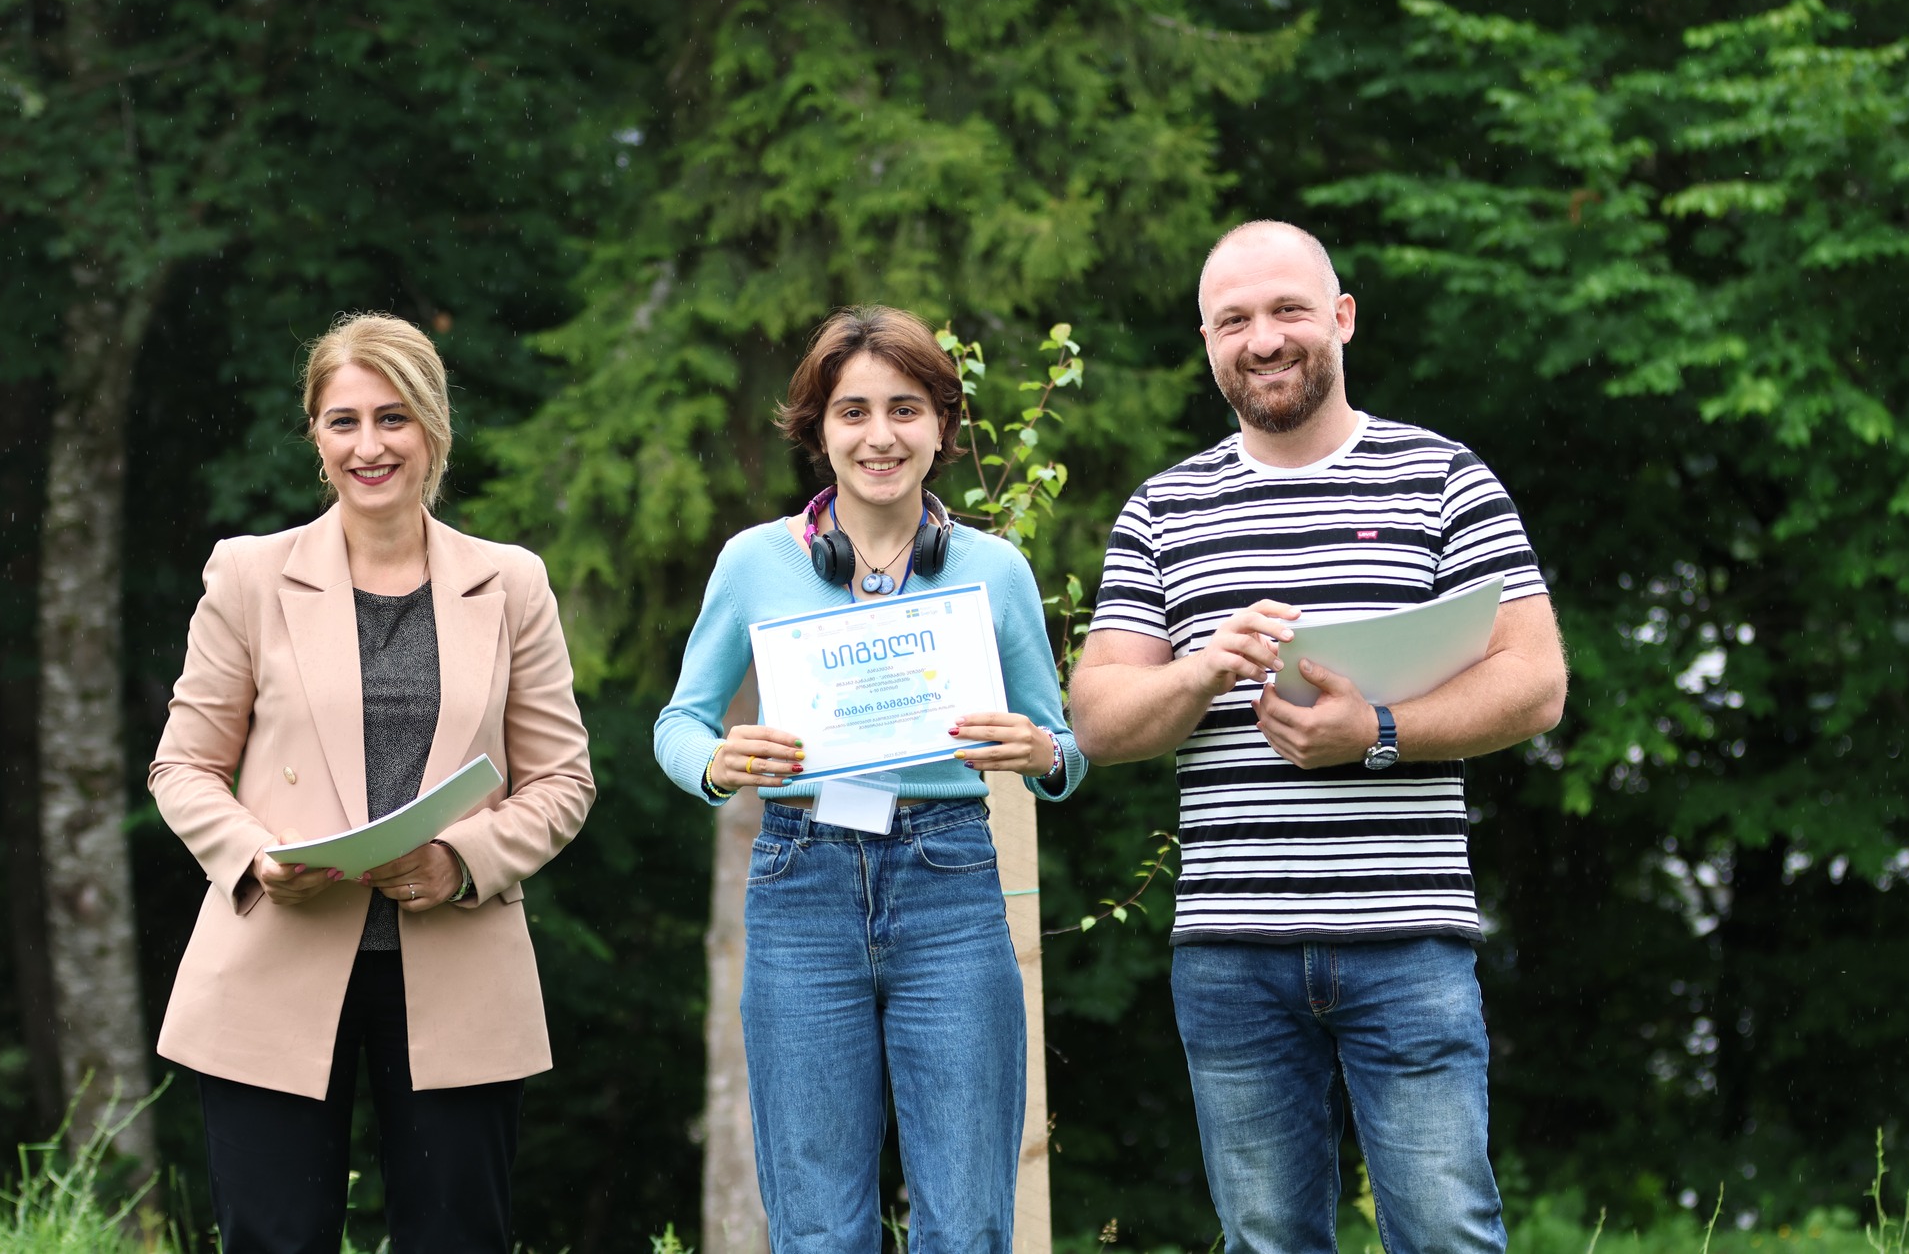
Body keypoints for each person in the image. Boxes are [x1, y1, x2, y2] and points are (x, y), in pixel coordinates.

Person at [1070, 222, 1567, 1254]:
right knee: (1266, 1241)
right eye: (1234, 320)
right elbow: (1099, 722)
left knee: (1447, 1234)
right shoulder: (1161, 510)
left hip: (1408, 937)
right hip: (1229, 949)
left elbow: (1535, 684)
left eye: (1287, 310)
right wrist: (1201, 667)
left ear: (1340, 318)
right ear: (1207, 343)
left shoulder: (1443, 477)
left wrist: (1377, 730)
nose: (1263, 339)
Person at [150, 313, 596, 1253]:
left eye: (392, 418)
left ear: (433, 426)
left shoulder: (513, 583)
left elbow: (562, 779)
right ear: (315, 435)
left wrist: (461, 860)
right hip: (274, 957)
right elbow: (183, 766)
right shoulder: (248, 574)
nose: (369, 446)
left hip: (459, 966)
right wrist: (256, 856)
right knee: (275, 1239)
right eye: (343, 421)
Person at [654, 304, 1085, 1252]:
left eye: (904, 409)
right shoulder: (754, 562)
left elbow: (1066, 749)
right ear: (818, 429)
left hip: (950, 882)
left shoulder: (996, 569)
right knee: (816, 1229)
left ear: (942, 423)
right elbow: (677, 725)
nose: (879, 435)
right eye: (852, 412)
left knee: (968, 1225)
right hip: (798, 883)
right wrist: (716, 763)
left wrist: (1040, 752)